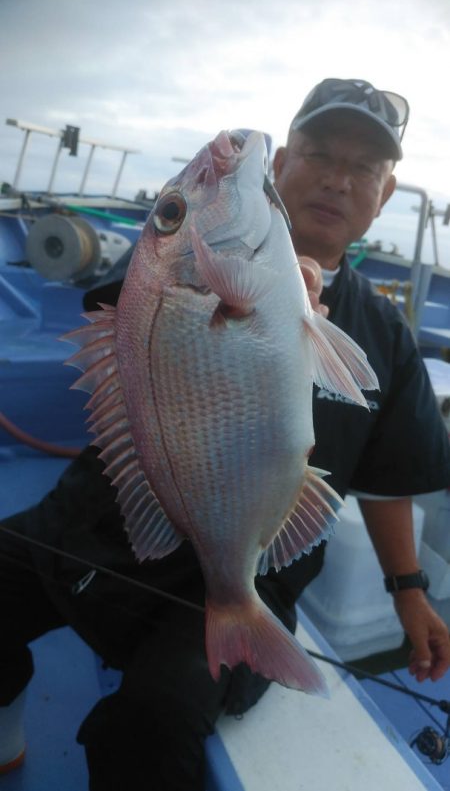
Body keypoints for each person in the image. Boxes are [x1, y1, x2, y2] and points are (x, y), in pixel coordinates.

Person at [0, 77, 449, 791]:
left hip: (252, 565)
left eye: (363, 168)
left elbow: (387, 476)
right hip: (107, 520)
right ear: (279, 167)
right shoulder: (170, 269)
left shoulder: (386, 339)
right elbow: (130, 340)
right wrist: (269, 298)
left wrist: (409, 590)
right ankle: (8, 733)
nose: (337, 178)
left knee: (150, 728)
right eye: (319, 152)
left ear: (384, 195)